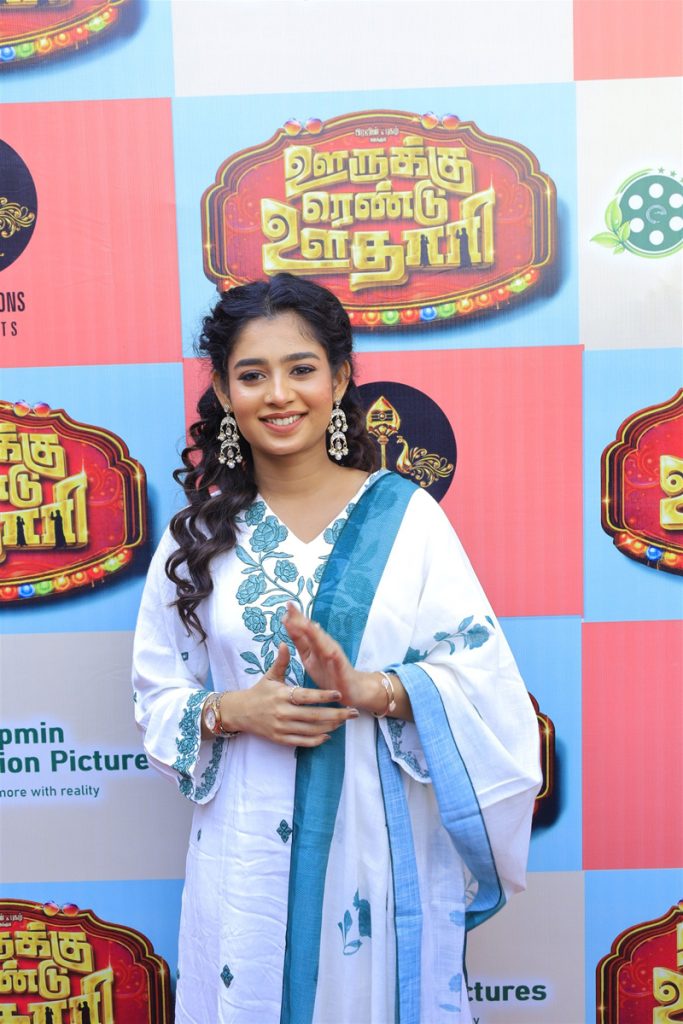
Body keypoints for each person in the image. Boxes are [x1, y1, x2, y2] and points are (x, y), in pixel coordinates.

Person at [132, 273, 542, 1024]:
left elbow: (482, 678)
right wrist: (233, 710)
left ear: (341, 378)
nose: (278, 395)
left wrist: (374, 690)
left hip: (375, 842)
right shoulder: (196, 539)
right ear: (223, 392)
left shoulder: (407, 519)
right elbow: (156, 696)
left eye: (301, 368)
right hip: (245, 853)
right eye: (252, 375)